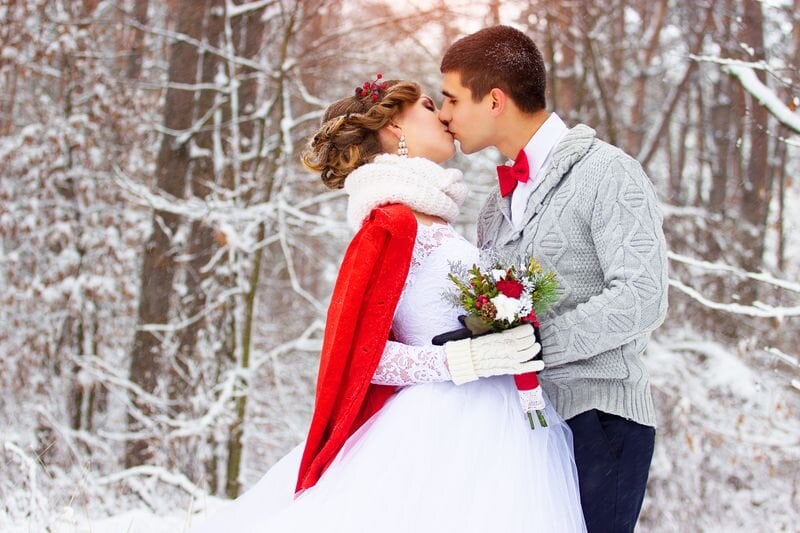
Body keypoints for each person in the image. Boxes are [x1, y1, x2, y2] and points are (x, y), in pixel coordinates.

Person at [190, 77, 586, 532]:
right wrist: (465, 357)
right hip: (440, 433)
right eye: (428, 104)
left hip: (504, 425)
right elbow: (361, 357)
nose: (444, 115)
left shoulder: (431, 216)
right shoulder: (390, 224)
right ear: (393, 126)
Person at [438, 26, 669, 533]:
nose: (444, 114)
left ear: (494, 99)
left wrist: (535, 345)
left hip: (600, 419)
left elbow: (642, 296)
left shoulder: (608, 173)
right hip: (519, 428)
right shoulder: (494, 210)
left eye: (451, 98)